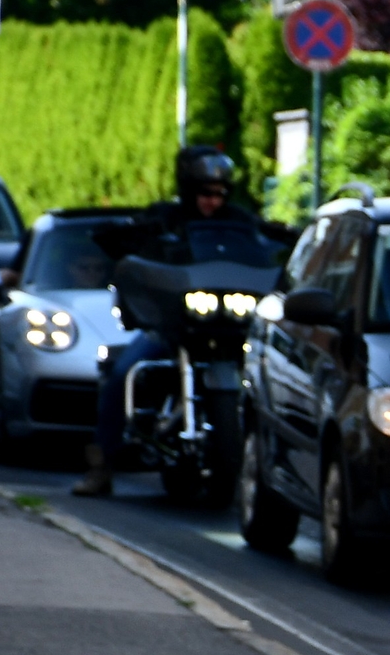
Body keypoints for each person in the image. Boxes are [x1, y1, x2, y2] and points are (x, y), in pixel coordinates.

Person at [76, 145, 266, 497]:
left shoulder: (241, 223)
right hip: (173, 325)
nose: (212, 201)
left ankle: (260, 467)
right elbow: (134, 241)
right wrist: (123, 235)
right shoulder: (164, 218)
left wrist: (282, 238)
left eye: (219, 194)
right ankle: (100, 467)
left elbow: (263, 245)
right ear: (188, 190)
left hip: (227, 325)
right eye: (205, 194)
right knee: (122, 373)